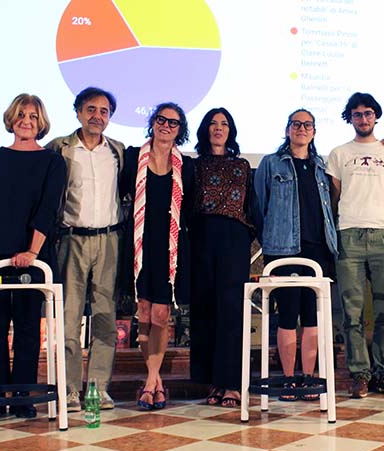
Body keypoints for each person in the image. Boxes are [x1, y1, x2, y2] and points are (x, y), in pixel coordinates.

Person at [0, 93, 66, 419]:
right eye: (21, 115)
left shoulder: (52, 162)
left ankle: (22, 397)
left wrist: (31, 251)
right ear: (11, 119)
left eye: (33, 116)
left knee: (28, 326)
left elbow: (47, 210)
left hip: (32, 256)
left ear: (41, 122)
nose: (26, 121)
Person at [326, 92, 384, 399]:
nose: (363, 118)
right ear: (350, 117)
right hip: (349, 236)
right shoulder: (338, 153)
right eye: (357, 114)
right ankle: (359, 374)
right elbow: (333, 200)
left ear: (376, 116)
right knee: (352, 313)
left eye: (368, 113)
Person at [45, 87, 125, 412]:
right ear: (78, 112)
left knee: (106, 317)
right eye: (91, 109)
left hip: (109, 240)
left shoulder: (117, 151)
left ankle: (98, 388)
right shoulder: (60, 148)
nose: (97, 116)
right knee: (69, 317)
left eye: (104, 111)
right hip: (71, 239)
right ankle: (69, 390)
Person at [253, 109, 338, 401]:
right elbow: (259, 207)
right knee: (288, 316)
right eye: (296, 124)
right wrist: (272, 238)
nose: (302, 128)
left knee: (312, 317)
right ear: (288, 129)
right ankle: (289, 379)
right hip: (283, 251)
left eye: (307, 125)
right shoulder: (270, 163)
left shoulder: (321, 166)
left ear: (314, 131)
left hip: (318, 251)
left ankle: (308, 378)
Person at [120, 103, 195, 409]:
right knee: (144, 312)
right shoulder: (132, 158)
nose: (166, 126)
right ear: (152, 122)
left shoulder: (186, 166)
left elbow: (189, 208)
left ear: (180, 130)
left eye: (173, 122)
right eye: (161, 120)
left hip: (170, 246)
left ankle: (151, 380)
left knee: (161, 315)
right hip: (139, 242)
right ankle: (155, 381)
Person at [189, 108, 253, 408]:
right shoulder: (194, 165)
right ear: (205, 129)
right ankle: (213, 382)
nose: (218, 128)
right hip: (201, 237)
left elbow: (251, 206)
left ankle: (233, 383)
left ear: (231, 130)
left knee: (232, 310)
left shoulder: (242, 165)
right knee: (205, 309)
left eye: (224, 124)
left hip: (234, 239)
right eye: (213, 124)